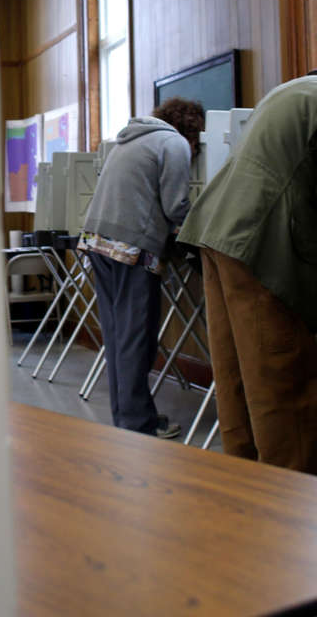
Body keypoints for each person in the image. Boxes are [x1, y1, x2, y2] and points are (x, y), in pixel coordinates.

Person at [177, 60, 317, 474]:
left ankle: (248, 495)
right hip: (262, 248)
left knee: (238, 380)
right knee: (282, 384)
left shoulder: (293, 91)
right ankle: (292, 512)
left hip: (216, 235)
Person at [78, 97, 205, 438]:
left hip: (96, 241)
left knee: (119, 337)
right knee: (137, 339)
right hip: (132, 248)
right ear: (193, 133)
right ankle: (138, 425)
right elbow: (176, 205)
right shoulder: (174, 143)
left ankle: (129, 417)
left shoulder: (131, 139)